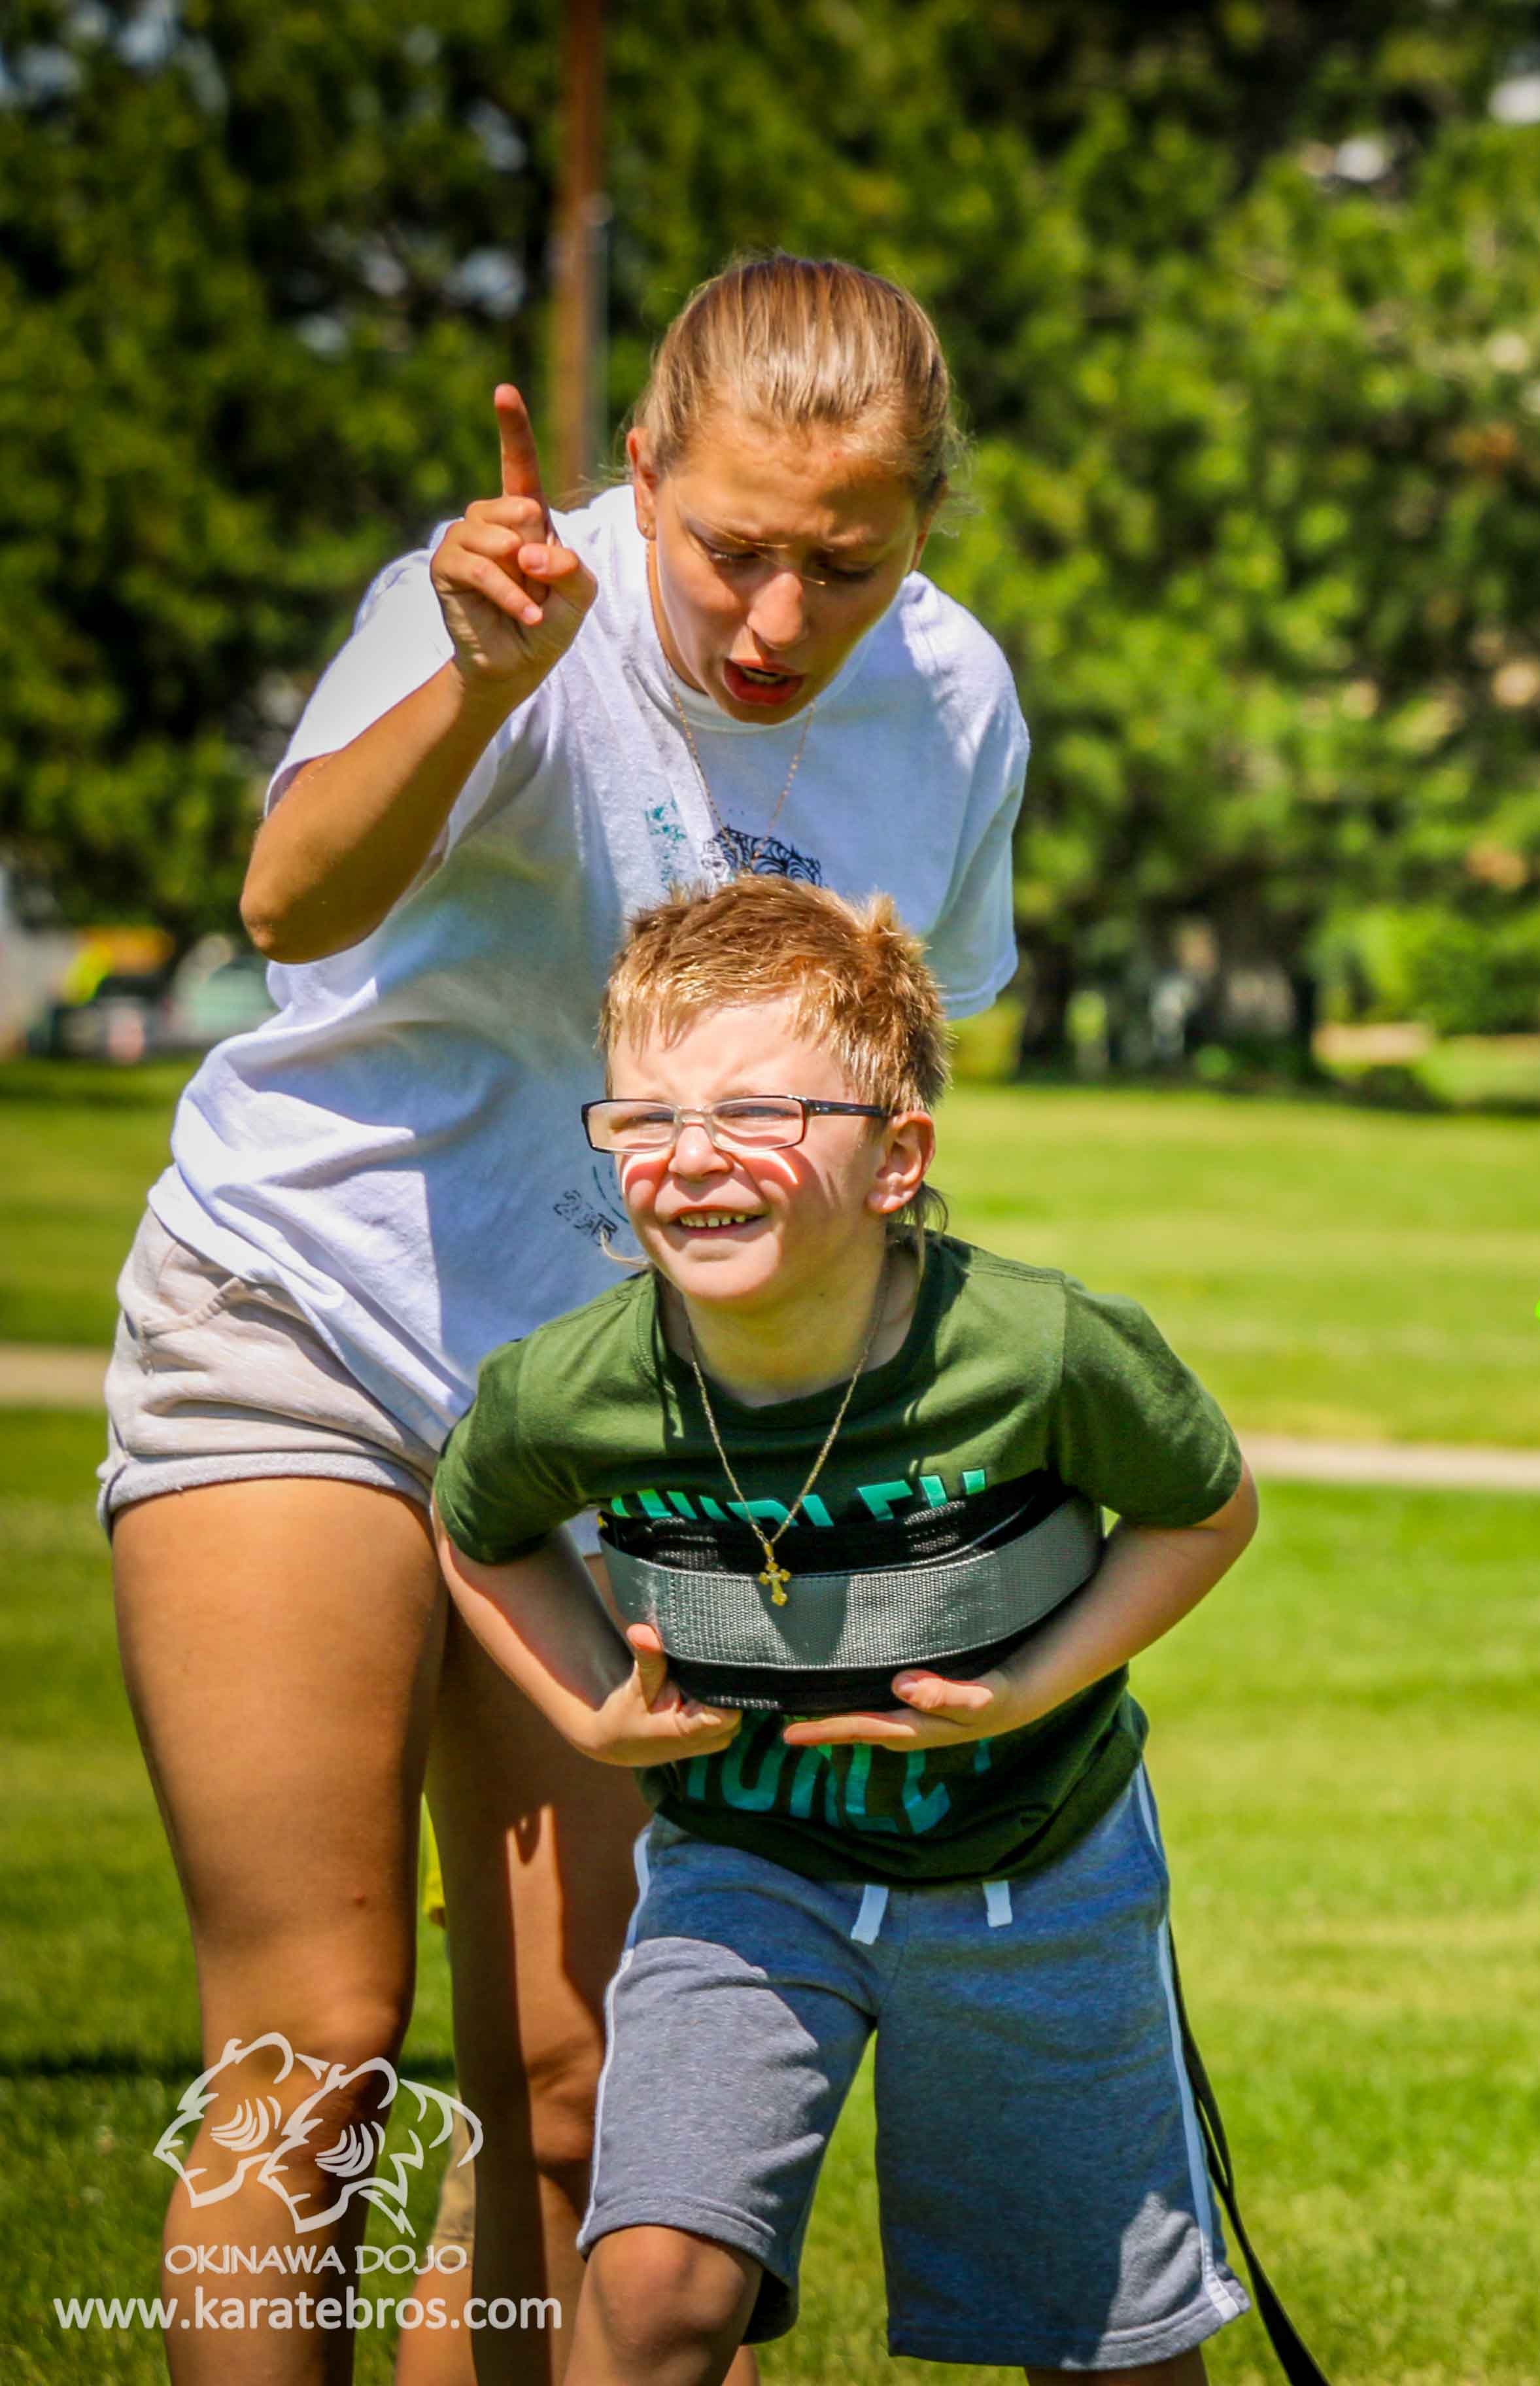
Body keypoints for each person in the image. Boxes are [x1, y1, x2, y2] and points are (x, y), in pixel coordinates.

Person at [104, 251, 1024, 2385]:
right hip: (305, 1310)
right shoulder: (496, 601)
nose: (779, 624)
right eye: (728, 553)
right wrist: (478, 679)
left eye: (846, 563)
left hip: (623, 1412)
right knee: (316, 2037)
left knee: (590, 2070)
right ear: (639, 473)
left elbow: (899, 1068)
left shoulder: (957, 697)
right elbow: (288, 902)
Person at [431, 878, 1263, 2383]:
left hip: (1038, 1874)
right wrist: (584, 1710)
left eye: (757, 1112)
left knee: (1108, 2344)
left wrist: (1026, 1689)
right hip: (745, 1873)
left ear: (899, 1161)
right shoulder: (568, 1390)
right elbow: (473, 1524)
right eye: (646, 1118)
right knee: (654, 2292)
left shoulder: (1042, 1353)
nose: (693, 1161)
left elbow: (1205, 1512)